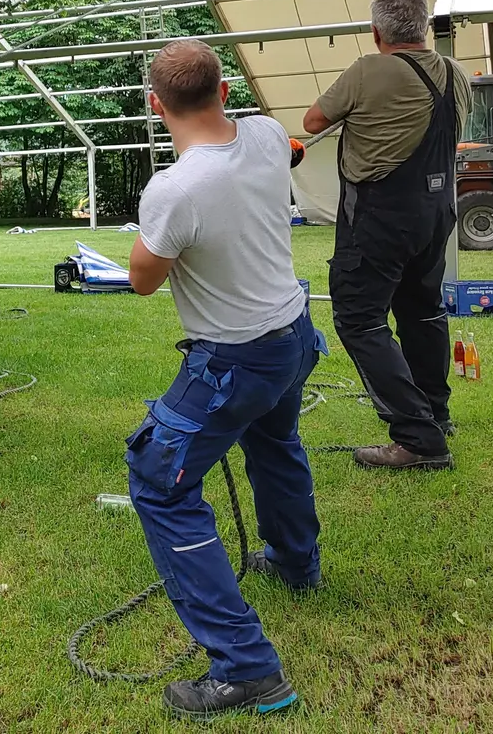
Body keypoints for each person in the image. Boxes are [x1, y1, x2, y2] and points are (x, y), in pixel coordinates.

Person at [124, 40, 325, 720]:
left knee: (160, 483)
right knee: (274, 442)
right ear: (225, 92)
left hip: (234, 360)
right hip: (293, 336)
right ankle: (295, 563)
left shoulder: (174, 190)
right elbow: (292, 150)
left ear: (157, 106)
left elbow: (142, 279)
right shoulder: (265, 134)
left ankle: (247, 670)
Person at [302, 0, 469, 471]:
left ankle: (418, 438)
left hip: (380, 215)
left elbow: (313, 121)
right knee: (423, 312)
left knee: (359, 319)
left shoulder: (368, 70)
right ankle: (435, 414)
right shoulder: (456, 73)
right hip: (437, 211)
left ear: (376, 32)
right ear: (424, 27)